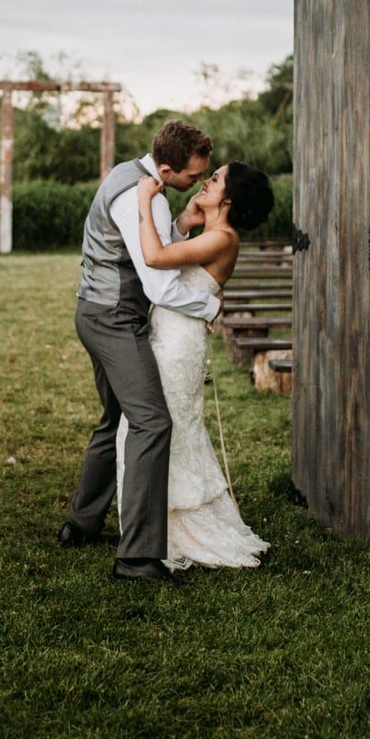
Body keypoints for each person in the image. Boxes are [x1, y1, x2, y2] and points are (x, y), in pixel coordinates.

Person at [60, 120, 217, 584]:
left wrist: (182, 224)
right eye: (191, 176)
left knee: (117, 420)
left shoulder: (138, 178)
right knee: (152, 421)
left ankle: (80, 524)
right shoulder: (136, 195)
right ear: (167, 168)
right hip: (113, 319)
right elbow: (157, 282)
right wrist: (209, 304)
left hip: (98, 311)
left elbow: (158, 245)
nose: (196, 183)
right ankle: (137, 559)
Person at [123, 161, 274, 570]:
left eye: (215, 178)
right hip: (167, 336)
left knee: (166, 428)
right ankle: (153, 522)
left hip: (178, 346)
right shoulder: (212, 234)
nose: (206, 182)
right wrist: (184, 222)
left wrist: (142, 200)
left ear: (227, 198)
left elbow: (154, 257)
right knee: (168, 426)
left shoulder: (223, 238)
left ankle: (173, 528)